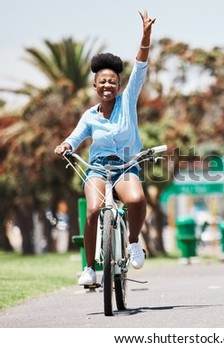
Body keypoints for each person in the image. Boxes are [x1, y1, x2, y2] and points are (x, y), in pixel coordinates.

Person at [54, 10, 156, 285]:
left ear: (119, 84)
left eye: (112, 81)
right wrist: (66, 144)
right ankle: (89, 268)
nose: (108, 85)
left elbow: (141, 65)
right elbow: (75, 137)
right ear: (95, 86)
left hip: (125, 166)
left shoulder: (128, 100)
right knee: (93, 209)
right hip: (98, 168)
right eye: (103, 82)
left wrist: (145, 36)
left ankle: (134, 242)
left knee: (135, 200)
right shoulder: (90, 116)